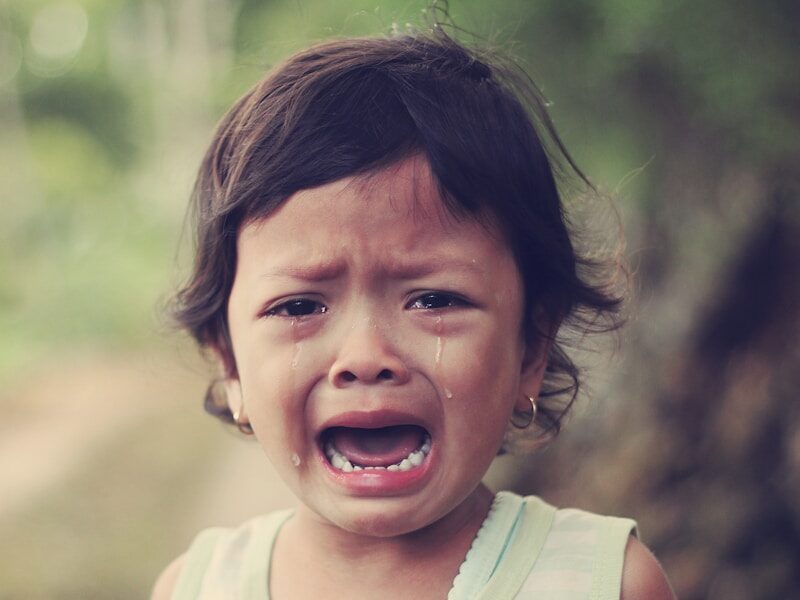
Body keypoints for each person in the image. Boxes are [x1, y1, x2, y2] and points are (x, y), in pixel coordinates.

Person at [152, 26, 674, 600]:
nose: (366, 357)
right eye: (299, 306)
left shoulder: (605, 583)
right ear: (230, 364)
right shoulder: (197, 588)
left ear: (531, 347)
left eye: (434, 300)